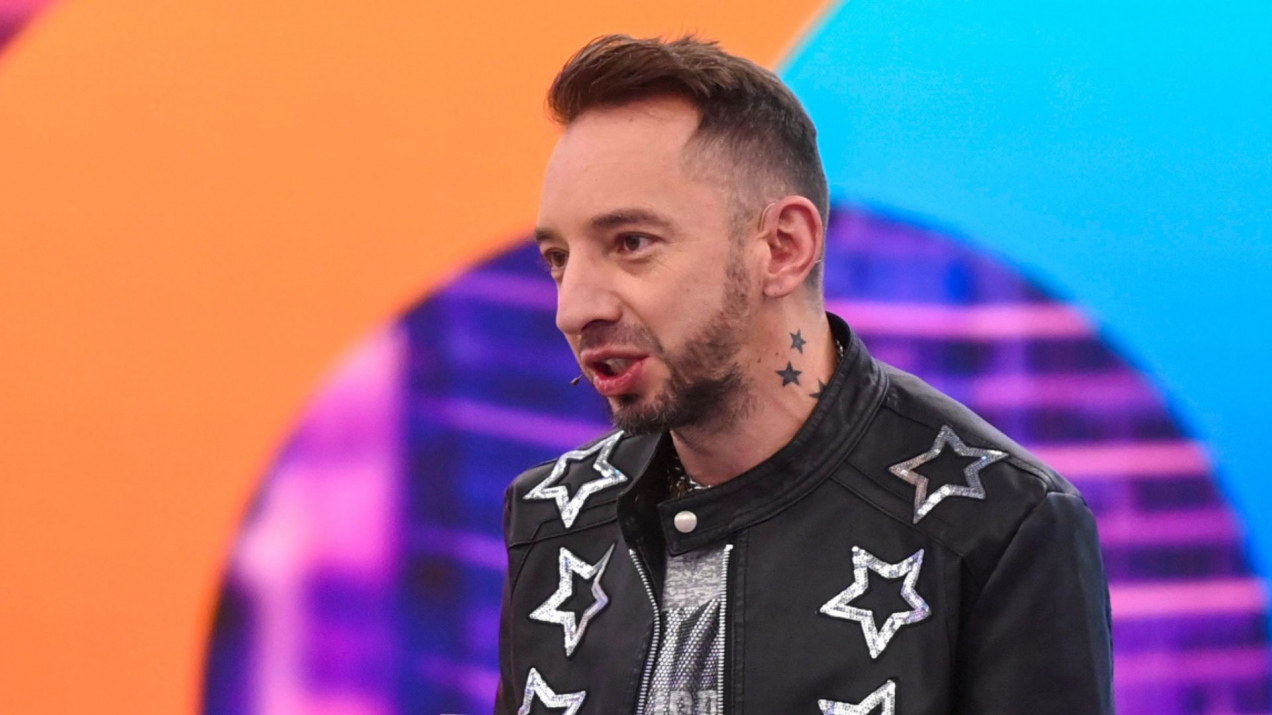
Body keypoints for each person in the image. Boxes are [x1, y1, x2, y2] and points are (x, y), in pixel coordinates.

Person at [495, 34, 1113, 715]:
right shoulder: (551, 516)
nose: (574, 308)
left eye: (631, 243)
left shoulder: (1000, 525)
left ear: (783, 247)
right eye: (558, 258)